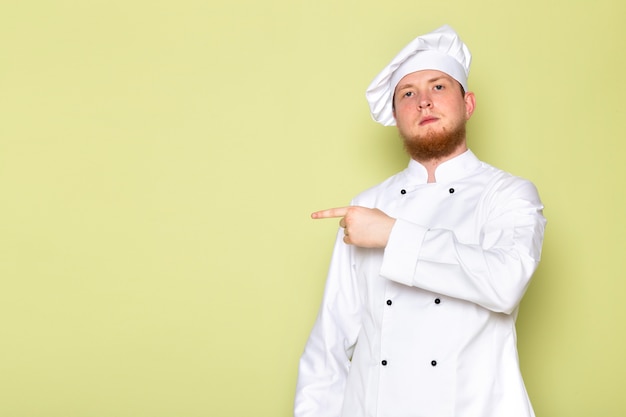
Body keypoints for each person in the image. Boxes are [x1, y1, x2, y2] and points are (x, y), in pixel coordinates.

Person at [294, 25, 546, 417]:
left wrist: (392, 234)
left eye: (439, 87)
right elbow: (329, 342)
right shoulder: (368, 204)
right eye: (407, 94)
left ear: (469, 104)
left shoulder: (508, 194)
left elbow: (505, 282)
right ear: (396, 116)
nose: (423, 102)